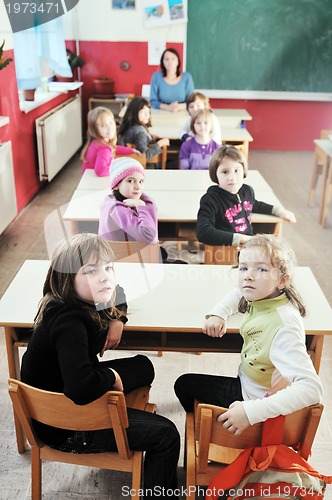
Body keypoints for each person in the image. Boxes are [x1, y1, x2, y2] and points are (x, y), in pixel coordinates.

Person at [21, 233, 180, 498]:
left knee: (144, 367)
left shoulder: (84, 297)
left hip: (70, 392)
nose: (105, 276)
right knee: (166, 435)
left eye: (108, 267)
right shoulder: (69, 323)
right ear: (66, 280)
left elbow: (119, 292)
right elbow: (81, 389)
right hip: (66, 425)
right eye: (91, 271)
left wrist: (119, 320)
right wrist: (111, 376)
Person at [174, 234, 323, 434]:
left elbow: (311, 389)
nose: (248, 276)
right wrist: (220, 313)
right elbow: (239, 292)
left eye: (261, 269)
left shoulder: (284, 325)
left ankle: (218, 435)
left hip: (254, 399)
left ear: (282, 280)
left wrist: (251, 411)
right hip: (252, 387)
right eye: (243, 268)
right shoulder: (267, 294)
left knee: (184, 385)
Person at [196, 145, 296, 246]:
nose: (232, 177)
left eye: (236, 170)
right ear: (215, 174)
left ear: (243, 171)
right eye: (225, 172)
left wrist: (278, 211)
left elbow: (254, 205)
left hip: (247, 246)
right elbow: (203, 232)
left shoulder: (247, 191)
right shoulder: (211, 200)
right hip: (226, 250)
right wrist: (243, 239)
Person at [99, 157, 158, 244]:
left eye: (141, 181)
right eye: (130, 181)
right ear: (116, 185)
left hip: (126, 253)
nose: (137, 187)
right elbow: (150, 238)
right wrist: (141, 205)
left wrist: (139, 197)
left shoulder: (111, 199)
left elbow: (154, 208)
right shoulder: (118, 210)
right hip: (126, 256)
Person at [80, 106, 140, 177]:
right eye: (103, 125)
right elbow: (100, 171)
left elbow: (114, 148)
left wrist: (131, 150)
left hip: (88, 181)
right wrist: (119, 168)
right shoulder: (104, 149)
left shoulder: (97, 142)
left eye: (110, 123)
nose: (109, 128)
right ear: (95, 130)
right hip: (95, 184)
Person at [118, 96, 169, 165]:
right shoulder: (140, 132)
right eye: (142, 112)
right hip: (145, 168)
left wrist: (149, 137)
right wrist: (160, 143)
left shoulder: (129, 127)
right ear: (134, 113)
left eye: (148, 112)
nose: (147, 115)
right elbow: (144, 155)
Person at [150, 47, 195, 112]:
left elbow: (191, 102)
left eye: (173, 59)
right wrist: (168, 107)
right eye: (166, 59)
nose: (170, 62)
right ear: (162, 62)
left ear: (178, 62)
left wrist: (178, 107)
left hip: (182, 113)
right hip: (161, 113)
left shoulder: (187, 77)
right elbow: (153, 102)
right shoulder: (156, 77)